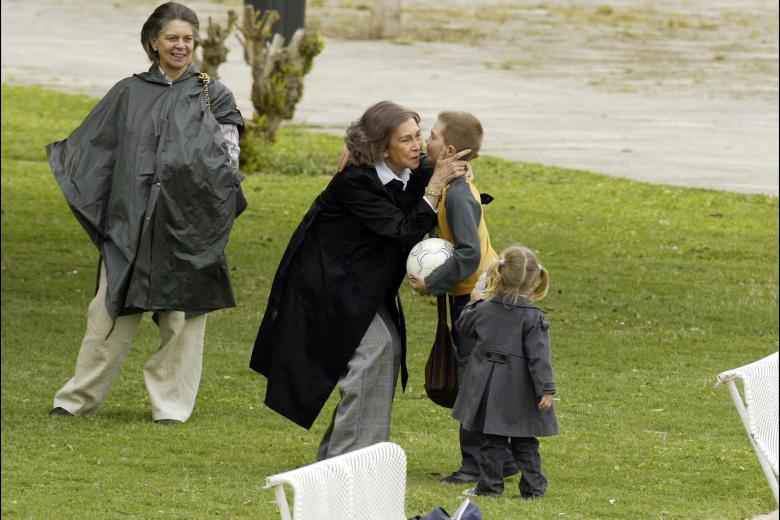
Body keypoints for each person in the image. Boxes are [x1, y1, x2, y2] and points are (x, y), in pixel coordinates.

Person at [46, 1, 245, 425]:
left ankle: (171, 406)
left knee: (182, 321)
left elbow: (230, 160)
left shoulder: (214, 93)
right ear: (153, 42)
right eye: (172, 37)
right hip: (131, 222)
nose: (181, 46)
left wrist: (214, 207)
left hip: (189, 224)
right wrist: (110, 211)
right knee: (108, 311)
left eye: (188, 39)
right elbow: (96, 150)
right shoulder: (128, 92)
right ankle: (77, 398)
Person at [250, 100, 470, 460]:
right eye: (406, 140)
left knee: (386, 350)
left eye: (418, 136)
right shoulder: (356, 181)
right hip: (325, 286)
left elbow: (437, 165)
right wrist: (437, 186)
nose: (417, 146)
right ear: (383, 148)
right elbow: (404, 230)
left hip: (363, 287)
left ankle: (349, 455)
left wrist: (457, 172)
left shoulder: (409, 170)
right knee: (374, 352)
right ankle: (349, 458)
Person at [408, 111, 519, 484]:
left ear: (450, 150)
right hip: (475, 297)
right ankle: (502, 460)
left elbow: (469, 253)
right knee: (478, 378)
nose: (426, 142)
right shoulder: (454, 183)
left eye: (434, 137)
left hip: (476, 300)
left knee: (472, 381)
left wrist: (431, 283)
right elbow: (424, 162)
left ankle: (476, 465)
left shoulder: (457, 196)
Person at [453, 245, 559, 498]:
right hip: (520, 388)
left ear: (498, 273)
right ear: (534, 280)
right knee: (525, 441)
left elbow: (463, 326)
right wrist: (545, 390)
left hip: (489, 388)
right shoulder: (533, 316)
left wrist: (473, 300)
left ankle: (490, 488)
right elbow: (539, 357)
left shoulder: (484, 308)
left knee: (491, 440)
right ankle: (534, 489)